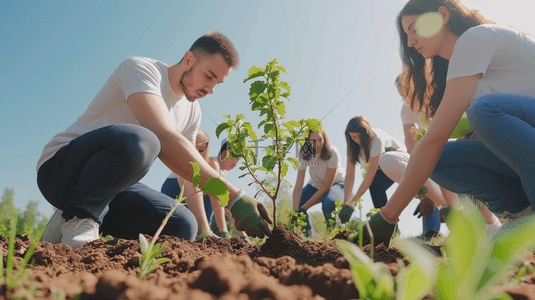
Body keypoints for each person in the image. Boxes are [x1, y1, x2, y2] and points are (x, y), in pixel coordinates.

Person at [38, 32, 272, 248]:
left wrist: (205, 230)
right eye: (208, 76)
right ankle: (81, 218)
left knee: (182, 226)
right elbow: (164, 137)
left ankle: (66, 219)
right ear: (189, 59)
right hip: (60, 170)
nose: (210, 89)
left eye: (217, 83)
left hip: (111, 186)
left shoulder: (192, 112)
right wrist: (233, 198)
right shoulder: (141, 69)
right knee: (145, 140)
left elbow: (190, 173)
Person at [357, 0, 535, 246]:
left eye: (414, 29)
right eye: (406, 34)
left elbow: (435, 138)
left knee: (482, 112)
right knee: (440, 158)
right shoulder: (461, 68)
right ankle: (523, 215)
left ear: (442, 15)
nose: (410, 43)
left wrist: (387, 217)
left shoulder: (475, 38)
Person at [339, 116, 449, 230]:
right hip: (381, 168)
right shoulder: (353, 148)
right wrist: (346, 203)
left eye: (360, 137)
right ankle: (388, 227)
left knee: (419, 188)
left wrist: (353, 204)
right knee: (376, 187)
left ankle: (431, 206)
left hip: (398, 161)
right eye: (354, 137)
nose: (357, 140)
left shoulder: (376, 139)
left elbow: (371, 173)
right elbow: (350, 175)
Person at [161, 130, 231, 240]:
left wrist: (223, 231)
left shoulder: (211, 164)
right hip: (173, 189)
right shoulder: (184, 162)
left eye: (201, 150)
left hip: (196, 200)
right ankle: (201, 232)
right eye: (194, 148)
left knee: (210, 192)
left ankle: (204, 231)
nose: (197, 153)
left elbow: (216, 198)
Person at [292, 129, 345, 237]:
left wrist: (304, 208)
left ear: (324, 138)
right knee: (298, 205)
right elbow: (299, 184)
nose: (318, 144)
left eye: (320, 139)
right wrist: (295, 210)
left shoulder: (332, 152)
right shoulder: (305, 154)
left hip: (336, 184)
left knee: (328, 204)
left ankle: (334, 237)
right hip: (315, 185)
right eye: (314, 141)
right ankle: (308, 238)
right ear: (308, 142)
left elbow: (326, 186)